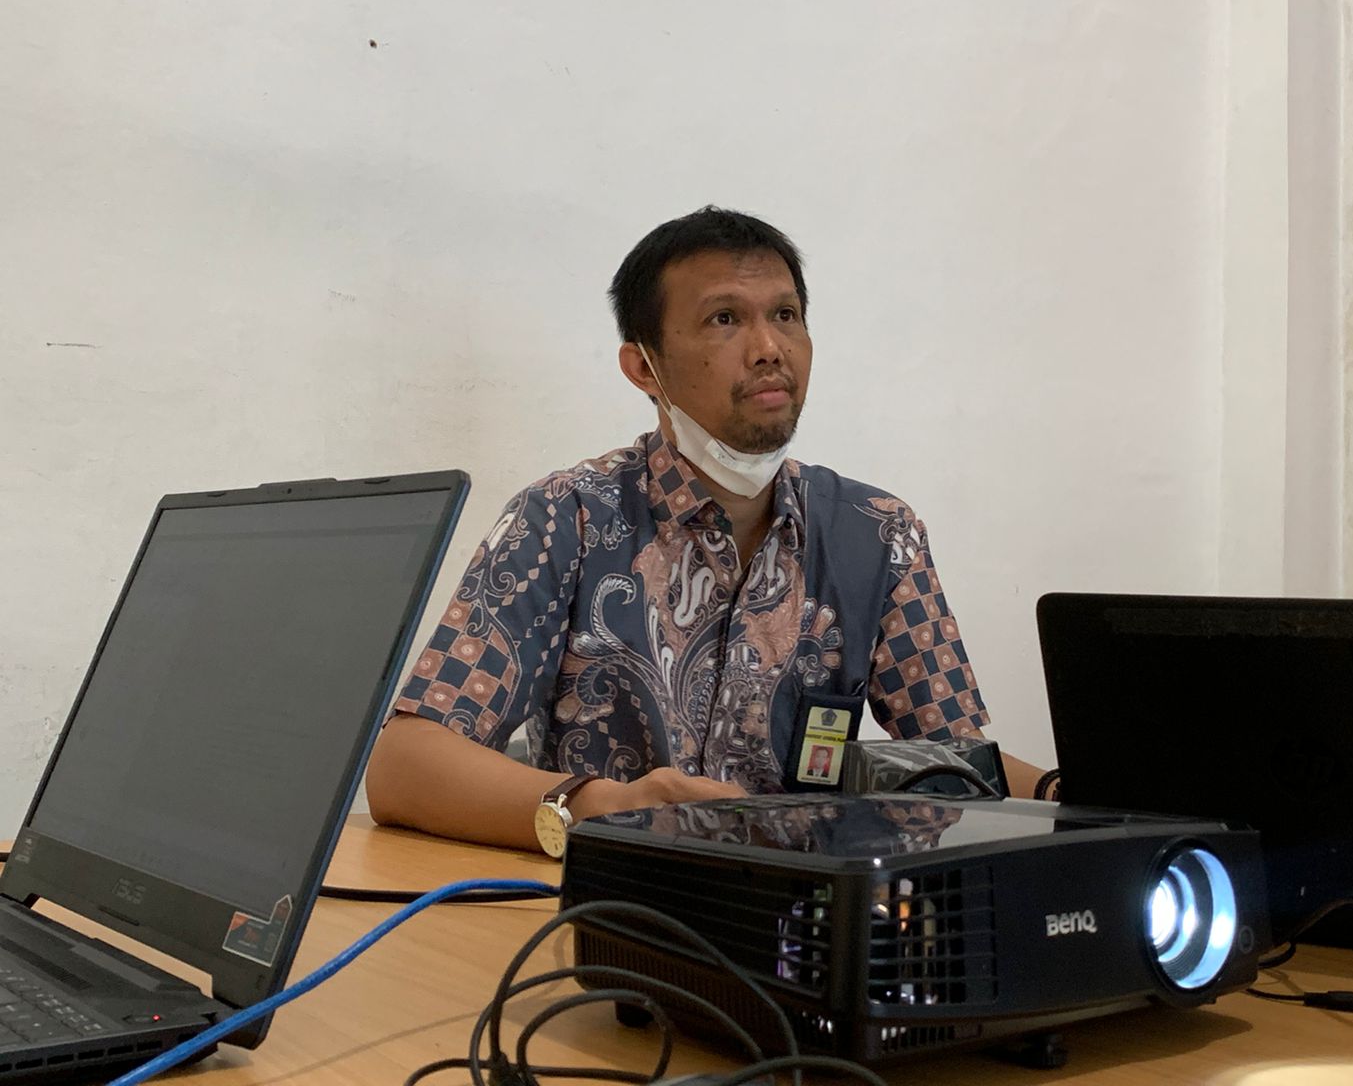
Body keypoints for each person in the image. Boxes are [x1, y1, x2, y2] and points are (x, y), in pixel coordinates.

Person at [367, 206, 1040, 851]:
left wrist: (1069, 786)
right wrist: (602, 807)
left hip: (798, 909)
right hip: (614, 902)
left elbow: (958, 762)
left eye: (786, 315)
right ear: (643, 367)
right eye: (725, 319)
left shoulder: (878, 535)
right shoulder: (567, 518)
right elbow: (404, 765)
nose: (769, 348)